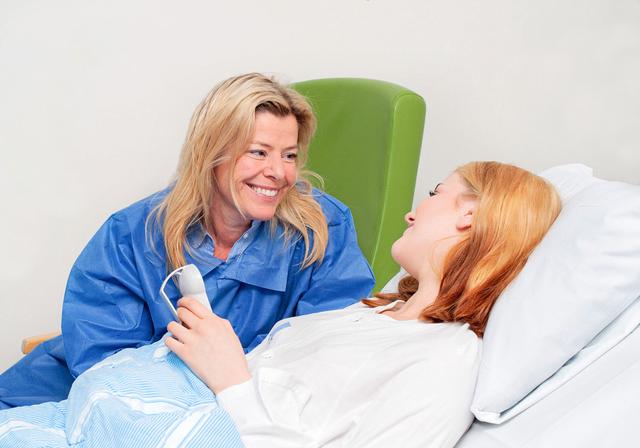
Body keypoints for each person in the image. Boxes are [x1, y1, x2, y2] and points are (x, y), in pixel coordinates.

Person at [0, 161, 561, 448]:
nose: (416, 209)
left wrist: (229, 377)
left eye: (436, 192)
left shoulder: (445, 356)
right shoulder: (368, 314)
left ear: (469, 215)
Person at [0, 73, 375, 409]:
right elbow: (105, 369)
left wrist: (228, 378)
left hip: (226, 413)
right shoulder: (132, 235)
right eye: (258, 152)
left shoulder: (321, 229)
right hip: (78, 395)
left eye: (290, 155)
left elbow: (329, 352)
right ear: (213, 152)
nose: (278, 172)